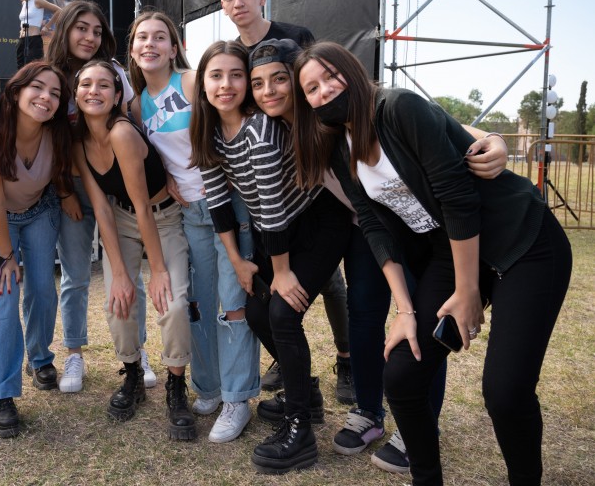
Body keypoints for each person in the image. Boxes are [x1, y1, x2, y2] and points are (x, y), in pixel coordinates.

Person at [291, 41, 572, 485]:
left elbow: (457, 198)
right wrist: (404, 310)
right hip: (454, 251)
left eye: (331, 76)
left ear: (353, 72)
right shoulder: (338, 147)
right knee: (401, 376)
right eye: (311, 88)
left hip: (525, 243)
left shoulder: (398, 107)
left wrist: (466, 293)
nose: (323, 91)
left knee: (505, 392)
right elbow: (374, 227)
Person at [247, 39, 509, 474]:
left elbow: (435, 123)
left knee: (420, 319)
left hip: (404, 230)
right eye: (261, 83)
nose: (272, 90)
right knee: (364, 317)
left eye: (282, 80)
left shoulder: (338, 110)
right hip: (359, 227)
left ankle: (416, 425)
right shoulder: (277, 128)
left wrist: (493, 139)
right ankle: (369, 411)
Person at [189, 40, 351, 473]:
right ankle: (307, 395)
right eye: (216, 76)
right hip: (275, 230)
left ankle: (300, 431)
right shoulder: (206, 133)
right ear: (201, 84)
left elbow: (274, 204)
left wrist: (280, 273)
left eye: (236, 75)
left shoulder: (259, 130)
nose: (227, 85)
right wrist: (238, 261)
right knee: (258, 313)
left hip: (317, 220)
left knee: (281, 313)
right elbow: (220, 201)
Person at [216, 0, 353, 401]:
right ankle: (293, 368)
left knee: (329, 281)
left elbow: (331, 93)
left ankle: (347, 359)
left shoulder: (296, 37)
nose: (238, 3)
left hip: (322, 182)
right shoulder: (234, 54)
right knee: (276, 300)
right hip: (277, 192)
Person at [126, 11, 259, 443]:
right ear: (132, 48)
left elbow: (221, 130)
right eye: (142, 37)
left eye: (160, 37)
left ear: (173, 46)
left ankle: (238, 398)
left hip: (228, 205)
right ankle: (211, 386)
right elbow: (153, 155)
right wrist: (166, 177)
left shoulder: (190, 82)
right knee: (201, 303)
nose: (151, 44)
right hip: (189, 214)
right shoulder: (134, 103)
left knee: (232, 302)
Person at [73, 59, 196, 440]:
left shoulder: (123, 133)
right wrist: (121, 275)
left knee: (173, 303)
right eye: (86, 85)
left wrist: (156, 269)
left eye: (103, 86)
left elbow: (144, 205)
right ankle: (132, 375)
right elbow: (101, 208)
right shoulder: (77, 140)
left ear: (116, 95)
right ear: (76, 93)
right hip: (120, 219)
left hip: (163, 216)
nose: (94, 91)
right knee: (118, 298)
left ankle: (177, 384)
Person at [44, 0, 151, 394]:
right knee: (74, 276)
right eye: (81, 28)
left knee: (129, 275)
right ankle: (74, 353)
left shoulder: (114, 72)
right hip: (70, 191)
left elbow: (133, 125)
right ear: (66, 30)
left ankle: (137, 352)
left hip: (112, 191)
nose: (89, 37)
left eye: (96, 30)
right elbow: (49, 141)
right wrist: (63, 190)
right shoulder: (50, 75)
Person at [0, 61, 73, 438]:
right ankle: (0, 393)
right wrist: (7, 257)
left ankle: (40, 359)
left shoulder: (55, 133)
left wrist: (65, 195)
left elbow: (58, 173)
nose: (46, 98)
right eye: (37, 88)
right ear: (15, 92)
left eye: (56, 93)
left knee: (44, 288)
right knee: (5, 291)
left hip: (40, 210)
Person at [15, 0, 61, 68]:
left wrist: (47, 27)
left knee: (33, 67)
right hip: (22, 40)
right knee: (21, 67)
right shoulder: (24, 3)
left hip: (33, 40)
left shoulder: (37, 1)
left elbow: (59, 10)